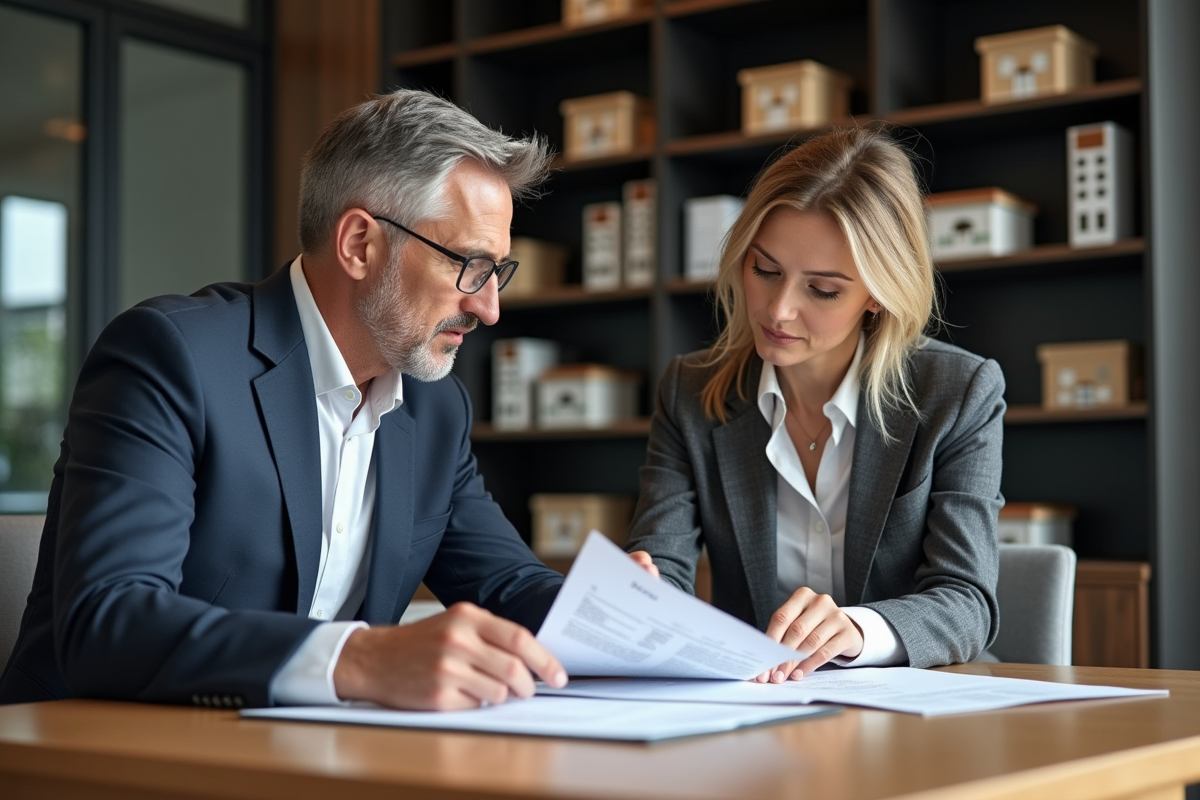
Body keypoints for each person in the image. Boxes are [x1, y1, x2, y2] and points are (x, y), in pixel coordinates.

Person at [0, 89, 571, 711]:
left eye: (498, 272)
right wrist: (360, 657)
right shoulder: (171, 355)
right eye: (471, 266)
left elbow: (510, 585)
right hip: (86, 752)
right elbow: (108, 623)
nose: (488, 307)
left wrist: (624, 621)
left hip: (300, 755)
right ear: (360, 244)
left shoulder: (437, 409)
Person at [627, 124, 1004, 681]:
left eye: (822, 290)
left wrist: (859, 630)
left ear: (878, 294)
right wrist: (645, 591)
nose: (778, 310)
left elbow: (967, 602)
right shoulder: (691, 390)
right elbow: (665, 562)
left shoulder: (957, 391)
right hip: (758, 703)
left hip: (916, 705)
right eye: (765, 271)